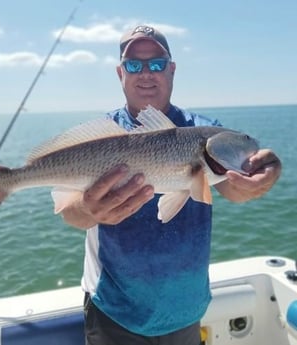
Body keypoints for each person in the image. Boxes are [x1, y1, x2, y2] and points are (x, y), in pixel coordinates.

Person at [60, 25, 282, 345]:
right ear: (121, 72)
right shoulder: (103, 134)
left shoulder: (203, 131)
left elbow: (234, 188)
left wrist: (264, 172)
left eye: (157, 64)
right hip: (115, 312)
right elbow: (71, 213)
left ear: (172, 69)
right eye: (135, 65)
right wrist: (87, 208)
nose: (146, 73)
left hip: (186, 313)